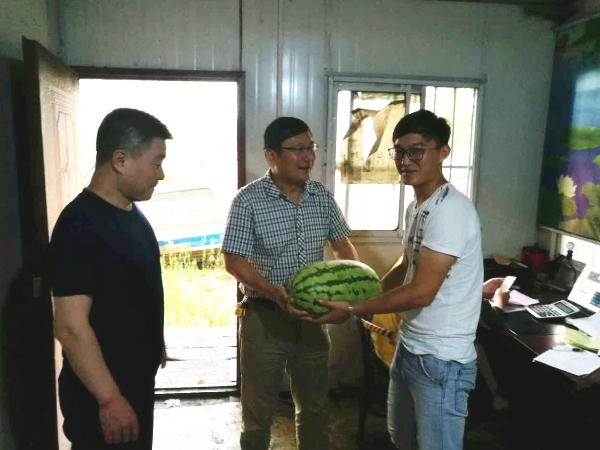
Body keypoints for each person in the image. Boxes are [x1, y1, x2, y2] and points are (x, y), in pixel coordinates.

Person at [307, 110, 484, 450]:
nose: (405, 160)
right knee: (401, 439)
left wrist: (353, 309)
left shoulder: (451, 211)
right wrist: (365, 295)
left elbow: (421, 293)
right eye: (399, 151)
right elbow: (407, 263)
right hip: (409, 345)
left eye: (416, 151)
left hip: (441, 359)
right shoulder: (418, 206)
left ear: (443, 152)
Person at [221, 116, 358, 450]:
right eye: (297, 149)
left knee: (314, 410)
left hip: (313, 321)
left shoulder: (321, 197)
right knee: (258, 414)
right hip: (264, 319)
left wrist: (348, 293)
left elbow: (343, 248)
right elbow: (234, 261)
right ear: (272, 155)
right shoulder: (248, 201)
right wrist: (274, 291)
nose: (308, 156)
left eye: (310, 147)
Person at [50, 108, 172, 449]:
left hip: (133, 385)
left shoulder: (131, 213)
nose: (161, 174)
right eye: (157, 162)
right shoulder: (79, 224)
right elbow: (70, 327)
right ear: (120, 160)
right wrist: (110, 400)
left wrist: (154, 342)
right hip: (102, 395)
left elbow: (132, 291)